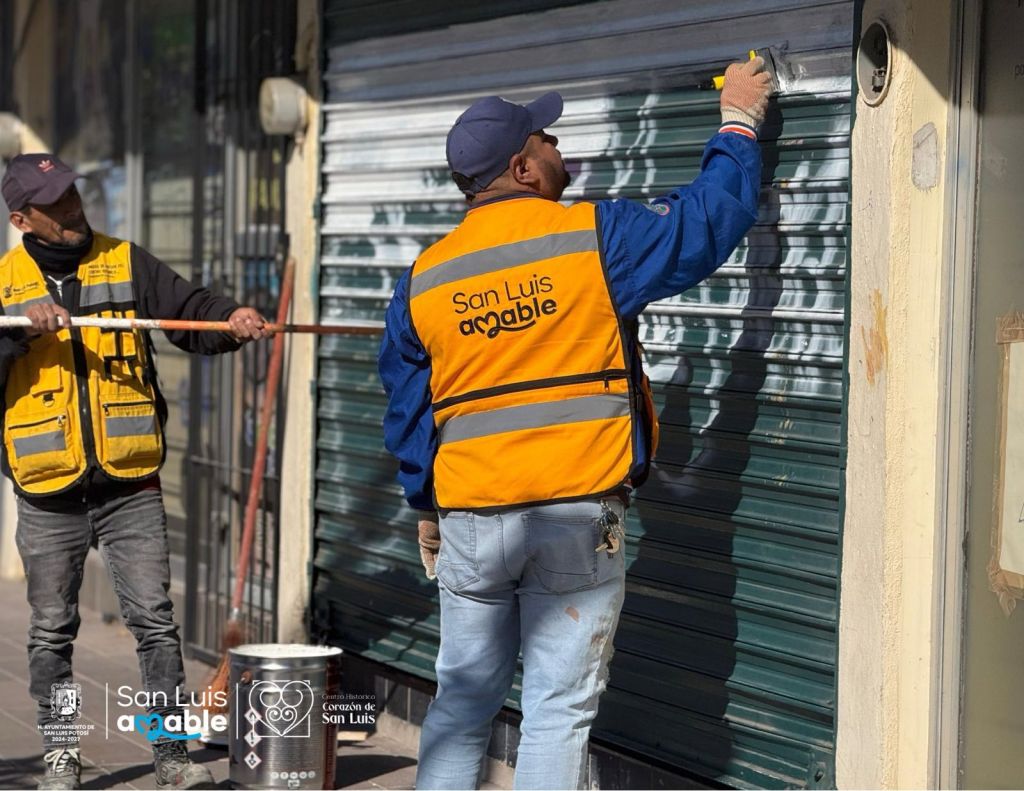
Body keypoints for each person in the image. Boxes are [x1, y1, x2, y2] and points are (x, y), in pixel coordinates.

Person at [378, 56, 771, 790]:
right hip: (573, 517)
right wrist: (739, 121)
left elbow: (407, 406)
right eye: (546, 139)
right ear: (523, 168)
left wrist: (423, 504)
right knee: (556, 713)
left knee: (461, 703)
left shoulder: (425, 277)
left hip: (470, 522)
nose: (558, 146)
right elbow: (704, 223)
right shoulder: (593, 238)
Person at [0, 153, 270, 790]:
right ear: (22, 219)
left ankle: (170, 752)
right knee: (51, 632)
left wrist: (230, 320)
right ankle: (61, 751)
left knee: (155, 622)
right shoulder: (5, 285)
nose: (72, 208)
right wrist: (19, 337)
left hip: (131, 484)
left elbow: (190, 312)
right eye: (55, 203)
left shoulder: (125, 261)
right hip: (47, 489)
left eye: (72, 194)